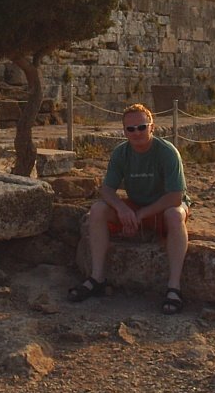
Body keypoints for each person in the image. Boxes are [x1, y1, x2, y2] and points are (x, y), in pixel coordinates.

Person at [68, 103, 192, 315]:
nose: (137, 133)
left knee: (174, 215)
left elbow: (175, 196)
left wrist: (139, 215)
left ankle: (174, 287)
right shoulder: (121, 153)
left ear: (152, 127)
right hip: (137, 206)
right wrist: (122, 209)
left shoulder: (167, 153)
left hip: (164, 206)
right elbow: (106, 189)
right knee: (98, 210)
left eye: (142, 127)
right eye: (131, 129)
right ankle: (97, 277)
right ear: (124, 131)